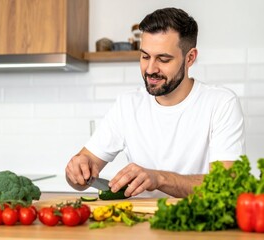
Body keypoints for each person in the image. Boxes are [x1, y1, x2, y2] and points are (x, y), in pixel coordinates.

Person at [65, 7, 245, 198]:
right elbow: (80, 178)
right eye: (145, 56)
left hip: (197, 222)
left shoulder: (221, 103)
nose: (150, 69)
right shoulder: (127, 105)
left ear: (190, 58)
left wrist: (159, 178)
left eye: (163, 59)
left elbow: (226, 184)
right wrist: (76, 171)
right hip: (139, 222)